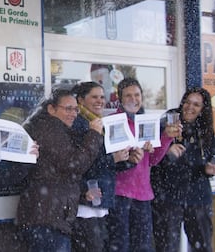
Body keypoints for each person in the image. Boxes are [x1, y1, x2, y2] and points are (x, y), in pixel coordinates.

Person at [16, 88, 104, 251]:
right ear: (51, 109)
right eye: (68, 108)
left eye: (76, 109)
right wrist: (94, 135)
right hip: (46, 219)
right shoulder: (50, 130)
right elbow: (74, 164)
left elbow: (57, 176)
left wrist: (82, 194)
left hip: (49, 217)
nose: (73, 113)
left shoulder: (56, 129)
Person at [106, 77, 180, 252]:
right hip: (119, 193)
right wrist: (125, 156)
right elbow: (107, 161)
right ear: (120, 99)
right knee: (119, 245)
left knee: (143, 246)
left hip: (143, 194)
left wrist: (167, 137)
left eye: (137, 95)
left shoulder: (147, 122)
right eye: (128, 95)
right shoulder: (112, 121)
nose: (133, 99)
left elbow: (153, 161)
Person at [151, 87, 215, 252]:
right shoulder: (168, 121)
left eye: (196, 105)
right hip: (167, 195)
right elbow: (151, 156)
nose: (190, 107)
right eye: (188, 102)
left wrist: (210, 168)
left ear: (203, 109)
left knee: (202, 246)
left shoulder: (206, 129)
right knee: (167, 246)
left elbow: (213, 157)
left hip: (197, 195)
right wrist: (166, 150)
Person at [70, 81, 134, 252]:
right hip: (86, 203)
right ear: (81, 101)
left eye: (102, 97)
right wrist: (112, 159)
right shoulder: (78, 125)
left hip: (102, 200)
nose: (99, 101)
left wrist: (128, 159)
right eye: (94, 97)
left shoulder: (100, 123)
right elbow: (80, 164)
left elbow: (108, 164)